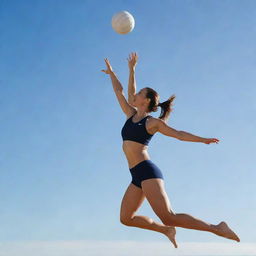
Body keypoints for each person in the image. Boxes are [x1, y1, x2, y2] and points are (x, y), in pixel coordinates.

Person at [101, 52, 240, 248]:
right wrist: (117, 73)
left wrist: (203, 140)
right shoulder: (130, 114)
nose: (136, 94)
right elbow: (120, 91)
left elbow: (179, 134)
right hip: (136, 175)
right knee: (126, 218)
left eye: (140, 93)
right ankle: (165, 230)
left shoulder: (152, 122)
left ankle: (217, 228)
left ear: (147, 101)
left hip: (147, 171)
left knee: (169, 215)